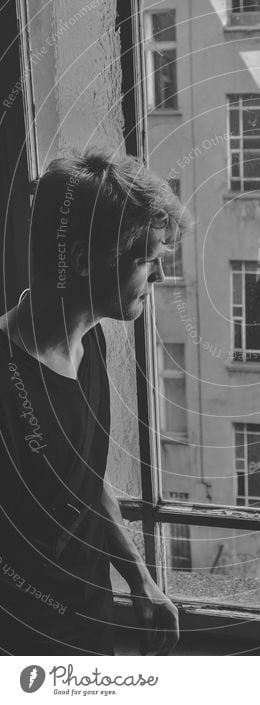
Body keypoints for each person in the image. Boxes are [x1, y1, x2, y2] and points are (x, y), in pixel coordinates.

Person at [0, 147, 189, 655]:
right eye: (148, 260)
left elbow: (82, 477)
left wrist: (140, 579)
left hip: (92, 626)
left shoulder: (91, 343)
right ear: (84, 261)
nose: (160, 277)